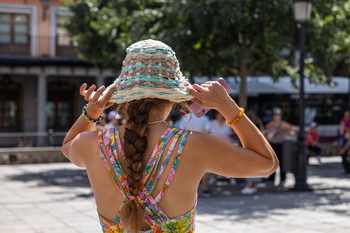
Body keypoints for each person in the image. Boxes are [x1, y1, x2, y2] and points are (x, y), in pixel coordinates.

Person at [62, 39, 278, 233]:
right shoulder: (194, 145)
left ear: (123, 95)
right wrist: (228, 107)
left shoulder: (91, 144)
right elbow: (267, 163)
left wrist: (92, 111)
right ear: (174, 97)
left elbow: (68, 146)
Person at [177, 112, 213, 197]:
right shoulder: (204, 118)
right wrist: (198, 135)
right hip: (202, 144)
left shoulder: (185, 118)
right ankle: (205, 190)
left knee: (188, 168)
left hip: (188, 144)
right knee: (203, 168)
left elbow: (181, 132)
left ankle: (187, 192)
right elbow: (208, 130)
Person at [265, 107, 295, 186]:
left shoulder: (283, 124)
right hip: (272, 144)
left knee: (281, 162)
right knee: (272, 162)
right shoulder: (271, 124)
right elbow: (265, 129)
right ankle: (271, 179)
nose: (276, 116)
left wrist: (285, 134)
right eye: (275, 115)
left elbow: (293, 128)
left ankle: (282, 179)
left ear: (280, 116)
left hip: (281, 145)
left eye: (278, 115)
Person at [208, 111, 237, 186]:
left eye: (222, 114)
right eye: (219, 114)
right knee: (214, 162)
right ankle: (213, 177)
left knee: (230, 161)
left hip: (227, 145)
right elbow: (207, 132)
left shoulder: (228, 123)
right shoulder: (212, 123)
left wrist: (232, 133)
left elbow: (233, 132)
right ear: (216, 115)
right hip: (214, 145)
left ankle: (232, 178)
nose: (220, 115)